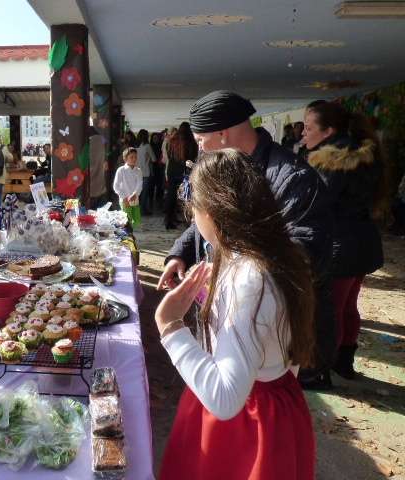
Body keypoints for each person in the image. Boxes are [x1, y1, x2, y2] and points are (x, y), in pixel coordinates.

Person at [158, 90, 334, 390]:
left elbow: (306, 253)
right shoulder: (225, 166)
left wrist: (234, 273)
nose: (199, 150)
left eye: (201, 141)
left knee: (249, 396)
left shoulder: (293, 178)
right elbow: (208, 220)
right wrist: (180, 253)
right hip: (232, 316)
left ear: (222, 134)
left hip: (269, 334)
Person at [156, 149, 315, 480]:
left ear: (210, 212)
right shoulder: (277, 256)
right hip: (275, 408)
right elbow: (276, 342)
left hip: (243, 429)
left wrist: (170, 326)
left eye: (193, 207)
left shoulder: (250, 278)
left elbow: (225, 399)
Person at [303, 102, 384, 379]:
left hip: (340, 244)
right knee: (348, 305)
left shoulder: (331, 161)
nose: (303, 133)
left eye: (309, 128)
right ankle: (343, 362)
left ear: (328, 131)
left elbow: (317, 204)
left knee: (330, 310)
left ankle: (320, 371)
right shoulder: (363, 152)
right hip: (362, 241)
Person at [165, 122, 197, 230]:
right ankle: (187, 221)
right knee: (187, 196)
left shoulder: (171, 141)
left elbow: (169, 155)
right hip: (184, 171)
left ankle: (169, 220)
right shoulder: (190, 142)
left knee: (171, 196)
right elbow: (192, 157)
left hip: (172, 170)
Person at [113, 147, 142, 228]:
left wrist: (135, 194)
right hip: (125, 200)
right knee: (126, 222)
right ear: (125, 159)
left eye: (135, 157)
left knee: (136, 222)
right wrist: (124, 197)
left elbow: (140, 184)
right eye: (131, 157)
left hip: (135, 200)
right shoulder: (121, 170)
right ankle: (127, 234)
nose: (134, 159)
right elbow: (116, 186)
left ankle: (131, 234)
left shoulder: (138, 171)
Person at [136, 129, 156, 215]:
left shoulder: (136, 146)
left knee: (137, 192)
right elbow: (154, 159)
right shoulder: (147, 146)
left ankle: (136, 210)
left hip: (136, 172)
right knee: (144, 193)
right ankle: (143, 210)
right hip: (145, 172)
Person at [89, 126, 108, 208]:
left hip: (90, 182)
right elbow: (106, 143)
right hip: (101, 180)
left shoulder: (88, 141)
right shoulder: (102, 139)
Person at [150, 131, 165, 208]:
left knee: (159, 185)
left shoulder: (161, 146)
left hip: (160, 168)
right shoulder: (150, 147)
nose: (155, 139)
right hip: (152, 168)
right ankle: (151, 202)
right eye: (154, 138)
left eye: (156, 138)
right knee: (151, 186)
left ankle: (159, 201)